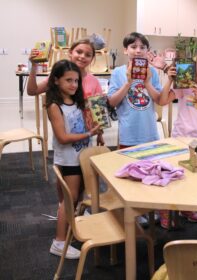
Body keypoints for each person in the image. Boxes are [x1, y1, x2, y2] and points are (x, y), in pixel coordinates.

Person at [158, 50, 197, 228]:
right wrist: (169, 79)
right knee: (174, 174)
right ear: (194, 65)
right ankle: (166, 210)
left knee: (195, 176)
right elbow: (162, 101)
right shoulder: (184, 84)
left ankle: (186, 207)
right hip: (180, 137)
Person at [46, 60, 100, 259]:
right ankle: (59, 242)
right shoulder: (54, 106)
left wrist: (95, 128)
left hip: (81, 158)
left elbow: (85, 124)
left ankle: (73, 231)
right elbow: (62, 137)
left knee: (78, 198)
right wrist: (88, 133)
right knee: (69, 201)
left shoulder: (76, 102)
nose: (73, 85)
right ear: (56, 80)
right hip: (68, 161)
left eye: (76, 81)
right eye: (68, 80)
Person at [27, 38, 105, 146]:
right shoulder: (59, 76)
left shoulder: (94, 81)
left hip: (87, 136)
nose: (82, 56)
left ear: (92, 59)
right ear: (70, 53)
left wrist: (99, 134)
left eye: (88, 55)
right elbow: (32, 91)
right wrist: (34, 66)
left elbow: (99, 112)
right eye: (79, 52)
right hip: (64, 137)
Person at [107, 32, 162, 148]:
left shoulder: (152, 72)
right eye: (133, 47)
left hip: (150, 134)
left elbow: (159, 100)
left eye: (142, 47)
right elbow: (112, 102)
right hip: (128, 135)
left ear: (147, 51)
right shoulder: (118, 72)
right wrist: (128, 83)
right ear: (125, 50)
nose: (138, 51)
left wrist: (147, 83)